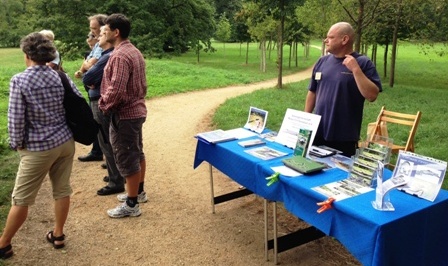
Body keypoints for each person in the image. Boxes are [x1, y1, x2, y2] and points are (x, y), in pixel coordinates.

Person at [0, 32, 79, 260]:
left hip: (38, 148)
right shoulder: (58, 75)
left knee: (21, 198)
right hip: (65, 141)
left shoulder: (20, 80)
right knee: (62, 190)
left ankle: (4, 244)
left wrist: (16, 144)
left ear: (27, 55)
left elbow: (15, 119)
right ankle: (58, 235)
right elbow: (75, 101)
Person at [304, 22, 382, 157]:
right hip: (318, 131)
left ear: (344, 39)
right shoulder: (322, 61)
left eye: (330, 37)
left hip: (343, 136)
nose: (325, 40)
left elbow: (372, 95)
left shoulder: (363, 63)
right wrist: (306, 118)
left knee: (338, 176)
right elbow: (312, 91)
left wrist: (356, 70)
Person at [99, 13, 147, 218]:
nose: (104, 33)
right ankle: (139, 191)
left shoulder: (119, 55)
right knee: (137, 152)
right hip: (136, 111)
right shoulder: (133, 51)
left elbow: (116, 90)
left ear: (116, 32)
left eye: (106, 29)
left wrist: (103, 104)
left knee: (127, 157)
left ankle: (132, 204)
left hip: (126, 115)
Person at [82, 26, 128, 196]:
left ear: (111, 35)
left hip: (100, 101)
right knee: (107, 140)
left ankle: (116, 180)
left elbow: (88, 77)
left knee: (106, 141)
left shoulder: (107, 56)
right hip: (98, 98)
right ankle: (115, 175)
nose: (97, 36)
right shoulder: (106, 55)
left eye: (101, 33)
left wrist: (90, 77)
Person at [76, 14, 107, 163]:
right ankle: (97, 151)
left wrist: (87, 66)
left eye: (95, 29)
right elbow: (87, 63)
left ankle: (108, 159)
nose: (92, 32)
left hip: (99, 90)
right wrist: (85, 67)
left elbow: (91, 64)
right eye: (91, 29)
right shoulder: (96, 45)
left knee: (101, 124)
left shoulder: (103, 46)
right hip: (93, 89)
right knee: (96, 121)